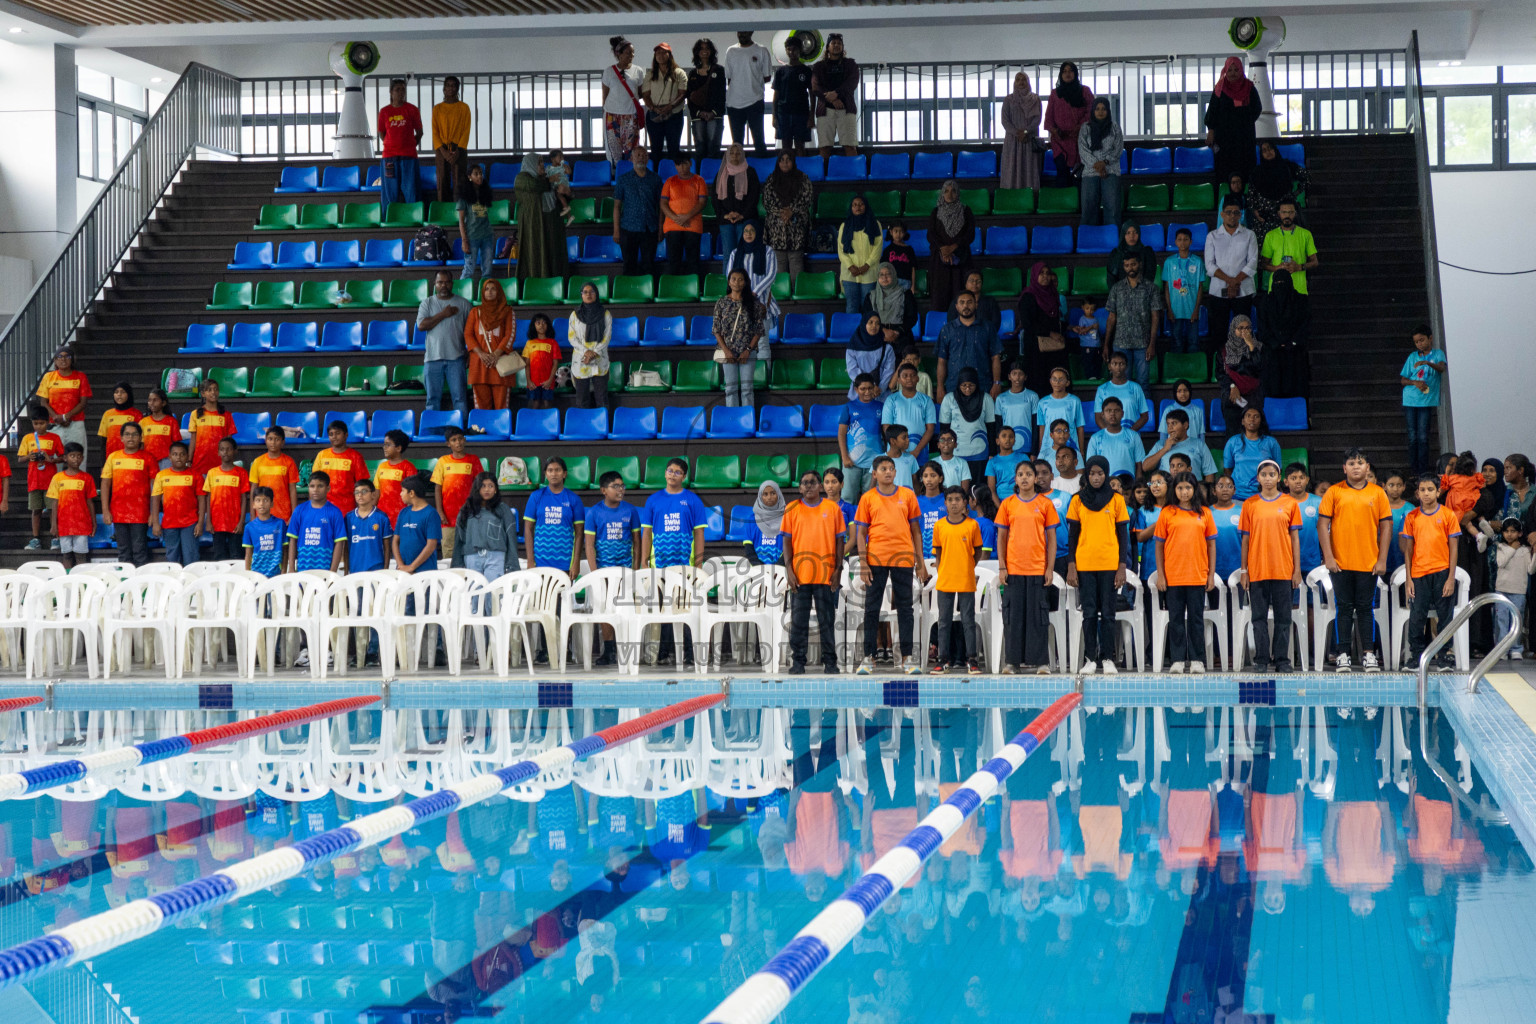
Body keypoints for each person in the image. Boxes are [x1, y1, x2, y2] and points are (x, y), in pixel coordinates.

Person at [1319, 449, 1392, 671]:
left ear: (1367, 467)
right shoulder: (1334, 492)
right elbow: (1322, 525)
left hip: (1368, 563)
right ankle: (1343, 654)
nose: (1356, 466)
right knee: (1343, 608)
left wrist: (1382, 559)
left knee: (1364, 608)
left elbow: (1386, 526)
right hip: (1340, 563)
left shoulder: (1378, 493)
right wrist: (1329, 557)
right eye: (1351, 463)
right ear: (1344, 468)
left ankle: (1369, 654)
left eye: (1360, 463)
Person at [854, 455, 928, 674]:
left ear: (896, 473)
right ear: (874, 474)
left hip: (903, 558)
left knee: (906, 608)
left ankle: (907, 658)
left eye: (891, 468)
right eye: (883, 468)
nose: (888, 472)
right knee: (872, 608)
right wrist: (863, 562)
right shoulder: (867, 498)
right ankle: (869, 658)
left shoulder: (907, 495)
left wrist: (920, 562)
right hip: (875, 558)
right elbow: (861, 533)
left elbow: (916, 530)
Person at [642, 458, 710, 665]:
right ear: (665, 473)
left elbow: (699, 534)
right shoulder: (653, 500)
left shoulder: (692, 500)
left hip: (685, 565)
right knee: (663, 608)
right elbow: (646, 533)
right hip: (660, 565)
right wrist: (645, 562)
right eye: (670, 470)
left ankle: (689, 654)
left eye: (677, 472)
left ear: (684, 476)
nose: (672, 475)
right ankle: (663, 654)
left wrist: (697, 563)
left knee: (686, 608)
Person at [1066, 456, 1131, 674]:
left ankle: (1108, 659)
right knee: (1090, 614)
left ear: (1106, 474)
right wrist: (1071, 565)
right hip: (1084, 565)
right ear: (1086, 475)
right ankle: (1090, 659)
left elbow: (1123, 536)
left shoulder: (1116, 500)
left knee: (1109, 613)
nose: (1096, 477)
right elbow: (1072, 536)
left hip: (1110, 564)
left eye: (1100, 473)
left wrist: (1122, 566)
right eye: (1092, 473)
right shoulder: (1077, 500)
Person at [995, 461, 1059, 673]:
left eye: (1028, 474)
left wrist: (1049, 568)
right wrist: (1002, 567)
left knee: (1038, 617)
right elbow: (1002, 537)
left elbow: (1051, 539)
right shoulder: (1008, 504)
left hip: (1037, 569)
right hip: (1013, 570)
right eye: (1020, 474)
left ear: (1035, 479)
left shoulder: (1045, 504)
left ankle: (1041, 662)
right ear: (1015, 479)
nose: (1024, 478)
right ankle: (1012, 662)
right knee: (1013, 617)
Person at [1239, 460, 1302, 670]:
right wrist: (1244, 571)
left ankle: (1282, 660)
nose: (1267, 478)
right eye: (1264, 475)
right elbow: (1246, 541)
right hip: (1257, 570)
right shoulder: (1249, 505)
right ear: (1258, 478)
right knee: (1259, 618)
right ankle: (1261, 659)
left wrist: (1297, 570)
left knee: (1284, 617)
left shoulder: (1290, 503)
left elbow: (1294, 539)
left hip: (1283, 570)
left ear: (1279, 477)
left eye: (1271, 474)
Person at [782, 470, 847, 674]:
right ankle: (798, 662)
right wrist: (789, 570)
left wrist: (838, 569)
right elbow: (786, 541)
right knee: (798, 621)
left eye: (812, 482)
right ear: (800, 487)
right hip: (800, 576)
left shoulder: (832, 508)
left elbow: (839, 541)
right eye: (804, 483)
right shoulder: (791, 509)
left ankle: (830, 662)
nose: (808, 486)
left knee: (826, 621)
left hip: (826, 575)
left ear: (820, 486)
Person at [1154, 472, 1218, 673]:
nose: (1184, 492)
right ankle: (1178, 660)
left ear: (1195, 489)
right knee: (1176, 620)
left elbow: (1211, 546)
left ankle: (1198, 659)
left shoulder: (1205, 513)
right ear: (1175, 490)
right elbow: (1159, 547)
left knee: (1196, 619)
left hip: (1197, 575)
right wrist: (1161, 575)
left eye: (1188, 488)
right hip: (1173, 576)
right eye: (1180, 488)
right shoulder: (1167, 513)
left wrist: (1210, 575)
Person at [1401, 473, 1462, 670]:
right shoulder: (1412, 517)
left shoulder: (1447, 515)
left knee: (1445, 615)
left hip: (1442, 572)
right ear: (1417, 493)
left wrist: (1451, 578)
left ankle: (1444, 655)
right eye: (1422, 490)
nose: (1426, 494)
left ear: (1438, 491)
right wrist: (1409, 579)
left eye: (1430, 489)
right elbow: (1408, 550)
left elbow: (1453, 548)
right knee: (1417, 616)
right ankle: (1416, 655)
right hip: (1419, 574)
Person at [1258, 200, 1317, 398]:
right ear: (1278, 213)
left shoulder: (1305, 234)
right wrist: (1279, 270)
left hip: (1299, 290)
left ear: (1295, 214)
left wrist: (1299, 267)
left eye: (1290, 212)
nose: (1287, 215)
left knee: (1298, 341)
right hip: (1276, 290)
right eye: (1284, 211)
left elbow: (1315, 261)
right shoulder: (1271, 235)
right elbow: (1264, 263)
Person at [929, 486, 984, 674]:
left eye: (958, 499)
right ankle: (943, 660)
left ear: (965, 502)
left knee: (968, 620)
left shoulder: (972, 525)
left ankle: (972, 660)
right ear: (945, 503)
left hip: (966, 579)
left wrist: (968, 566)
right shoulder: (939, 526)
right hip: (945, 580)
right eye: (950, 499)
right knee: (943, 621)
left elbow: (977, 552)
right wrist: (942, 570)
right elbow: (938, 553)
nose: (954, 503)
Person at [1204, 199, 1258, 360]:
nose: (1232, 216)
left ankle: (1243, 363)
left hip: (1244, 291)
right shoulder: (1212, 236)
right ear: (1222, 214)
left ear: (1241, 215)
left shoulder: (1249, 235)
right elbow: (1209, 265)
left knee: (1243, 331)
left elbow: (1253, 262)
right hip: (1218, 293)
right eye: (1228, 212)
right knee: (1219, 331)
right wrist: (1230, 281)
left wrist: (1235, 282)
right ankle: (1221, 366)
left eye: (1236, 213)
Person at [417, 270, 472, 421]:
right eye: (440, 282)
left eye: (447, 282)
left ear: (452, 283)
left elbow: (473, 331)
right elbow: (421, 326)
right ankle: (433, 433)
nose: (443, 285)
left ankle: (461, 432)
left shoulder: (464, 304)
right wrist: (443, 314)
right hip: (432, 359)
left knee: (460, 399)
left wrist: (470, 352)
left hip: (457, 359)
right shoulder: (427, 303)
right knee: (432, 400)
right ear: (434, 284)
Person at [99, 422, 153, 566]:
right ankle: (126, 585)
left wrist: (153, 513)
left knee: (140, 551)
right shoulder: (113, 457)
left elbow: (156, 487)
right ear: (121, 438)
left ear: (141, 437)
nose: (131, 438)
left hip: (140, 513)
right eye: (127, 434)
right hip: (118, 513)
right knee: (123, 552)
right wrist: (105, 510)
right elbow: (105, 484)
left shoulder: (148, 458)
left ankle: (141, 585)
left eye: (135, 434)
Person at [523, 458, 586, 579]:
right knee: (541, 597)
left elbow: (579, 534)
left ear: (564, 474)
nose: (554, 473)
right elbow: (528, 530)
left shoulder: (574, 499)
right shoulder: (536, 496)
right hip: (540, 561)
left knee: (562, 597)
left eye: (557, 470)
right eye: (550, 470)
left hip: (565, 561)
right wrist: (530, 560)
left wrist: (576, 562)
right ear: (546, 474)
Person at [449, 473, 519, 580]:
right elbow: (459, 539)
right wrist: (457, 564)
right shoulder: (466, 509)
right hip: (471, 556)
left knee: (493, 593)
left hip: (496, 556)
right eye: (483, 486)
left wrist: (512, 565)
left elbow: (511, 539)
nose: (487, 489)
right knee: (474, 594)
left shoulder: (503, 509)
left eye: (490, 486)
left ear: (495, 489)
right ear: (477, 488)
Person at [1105, 253, 1161, 387]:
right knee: (1122, 383)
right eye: (1126, 265)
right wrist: (1106, 344)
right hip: (1120, 343)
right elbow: (1111, 317)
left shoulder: (1151, 288)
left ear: (1140, 264)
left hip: (1143, 343)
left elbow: (1155, 317)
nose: (1130, 268)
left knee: (1143, 384)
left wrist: (1152, 344)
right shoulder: (1116, 288)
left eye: (1133, 264)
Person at [936, 291, 1003, 401]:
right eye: (962, 302)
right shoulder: (947, 330)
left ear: (976, 305)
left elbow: (995, 357)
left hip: (983, 385)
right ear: (957, 307)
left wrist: (997, 383)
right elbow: (941, 361)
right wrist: (939, 387)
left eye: (969, 302)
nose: (966, 306)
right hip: (954, 386)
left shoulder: (987, 327)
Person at [712, 269, 766, 408]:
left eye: (740, 279)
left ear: (746, 282)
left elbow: (759, 330)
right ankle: (733, 422)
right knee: (730, 389)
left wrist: (748, 350)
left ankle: (747, 420)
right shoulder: (721, 303)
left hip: (748, 352)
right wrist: (726, 351)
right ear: (729, 282)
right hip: (727, 351)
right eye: (733, 279)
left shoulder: (753, 303)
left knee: (747, 389)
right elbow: (716, 330)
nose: (737, 282)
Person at [430, 427, 485, 562]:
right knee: (448, 550)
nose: (458, 442)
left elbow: (480, 487)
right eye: (454, 440)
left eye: (460, 439)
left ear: (465, 440)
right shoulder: (443, 461)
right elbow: (438, 488)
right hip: (447, 516)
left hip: (469, 513)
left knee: (471, 549)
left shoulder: (473, 460)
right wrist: (440, 511)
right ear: (448, 444)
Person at [1204, 57, 1261, 186]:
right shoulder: (1220, 88)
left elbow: (1257, 108)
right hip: (1224, 139)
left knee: (1246, 168)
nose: (1233, 73)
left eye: (1236, 70)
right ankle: (1227, 202)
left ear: (1241, 70)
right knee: (1224, 169)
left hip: (1244, 138)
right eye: (1229, 70)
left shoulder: (1249, 87)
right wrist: (1211, 130)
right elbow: (1212, 111)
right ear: (1225, 71)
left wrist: (1243, 121)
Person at [463, 278, 516, 410]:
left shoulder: (508, 311)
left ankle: (501, 431)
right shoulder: (475, 312)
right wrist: (481, 354)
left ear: (499, 292)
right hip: (479, 364)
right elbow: (468, 335)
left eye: (493, 289)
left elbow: (510, 334)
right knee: (481, 408)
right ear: (483, 292)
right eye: (487, 289)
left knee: (502, 407)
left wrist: (496, 354)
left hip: (501, 364)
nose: (490, 292)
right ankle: (482, 431)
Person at [512, 153, 567, 280]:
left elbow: (559, 197)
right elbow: (534, 186)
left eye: (542, 162)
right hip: (533, 225)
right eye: (539, 162)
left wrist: (564, 191)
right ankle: (532, 286)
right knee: (534, 253)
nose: (542, 165)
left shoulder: (546, 178)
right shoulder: (522, 178)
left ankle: (555, 285)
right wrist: (549, 180)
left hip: (551, 225)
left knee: (551, 254)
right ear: (531, 164)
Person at [938, 368, 996, 487]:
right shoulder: (949, 399)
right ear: (959, 384)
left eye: (971, 385)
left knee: (978, 489)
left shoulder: (986, 399)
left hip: (980, 453)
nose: (968, 388)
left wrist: (992, 453)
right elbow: (944, 429)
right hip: (956, 453)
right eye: (964, 385)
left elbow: (991, 429)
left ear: (977, 384)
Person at [762, 153, 814, 286]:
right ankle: (782, 299)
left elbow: (807, 199)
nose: (785, 163)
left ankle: (796, 302)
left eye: (788, 160)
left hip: (796, 229)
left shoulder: (803, 178)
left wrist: (791, 211)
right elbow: (767, 202)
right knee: (779, 266)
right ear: (778, 162)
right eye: (782, 160)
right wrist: (783, 213)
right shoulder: (771, 179)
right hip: (776, 230)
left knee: (796, 263)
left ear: (793, 162)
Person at [1400, 324, 1445, 476]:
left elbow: (1441, 368)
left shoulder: (1438, 354)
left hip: (1426, 401)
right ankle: (1414, 471)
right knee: (1413, 436)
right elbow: (1403, 380)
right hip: (1410, 400)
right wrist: (1415, 383)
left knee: (1423, 436)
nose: (1419, 344)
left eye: (1422, 340)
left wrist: (1427, 362)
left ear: (1430, 338)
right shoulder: (1412, 357)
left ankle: (1423, 471)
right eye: (1416, 342)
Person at [35, 348, 91, 468]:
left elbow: (83, 402)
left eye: (67, 356)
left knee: (78, 460)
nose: (63, 359)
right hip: (54, 425)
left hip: (75, 424)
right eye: (59, 357)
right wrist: (56, 417)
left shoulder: (80, 377)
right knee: (53, 462)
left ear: (72, 360)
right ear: (55, 361)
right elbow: (43, 402)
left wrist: (66, 416)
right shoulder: (48, 377)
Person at [611, 145, 662, 277]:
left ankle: (648, 293)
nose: (641, 158)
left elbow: (661, 206)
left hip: (650, 228)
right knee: (629, 264)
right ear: (631, 158)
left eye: (644, 155)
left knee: (649, 265)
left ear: (648, 158)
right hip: (628, 228)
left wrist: (660, 229)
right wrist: (616, 230)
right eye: (638, 155)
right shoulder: (623, 180)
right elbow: (617, 206)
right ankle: (628, 295)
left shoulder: (655, 179)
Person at [1488, 517, 1534, 660]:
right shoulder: (1501, 548)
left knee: (1517, 620)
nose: (1509, 534)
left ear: (1520, 533)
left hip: (1519, 591)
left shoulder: (1525, 551)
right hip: (1502, 589)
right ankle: (1501, 649)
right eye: (1506, 531)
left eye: (1513, 531)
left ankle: (1516, 648)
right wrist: (1512, 549)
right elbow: (1501, 563)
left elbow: (1531, 570)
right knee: (1501, 620)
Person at [150, 441, 202, 567]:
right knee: (172, 558)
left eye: (182, 454)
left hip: (190, 523)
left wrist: (200, 523)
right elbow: (156, 500)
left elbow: (202, 500)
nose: (178, 457)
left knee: (191, 558)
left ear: (187, 457)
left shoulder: (195, 475)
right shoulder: (161, 475)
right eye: (175, 454)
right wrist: (156, 523)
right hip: (169, 524)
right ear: (169, 457)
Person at [725, 222, 780, 338]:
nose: (748, 234)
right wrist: (743, 294)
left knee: (761, 343)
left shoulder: (768, 251)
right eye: (745, 231)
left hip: (761, 300)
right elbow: (729, 276)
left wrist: (754, 292)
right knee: (742, 341)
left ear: (758, 233)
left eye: (752, 231)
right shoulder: (735, 253)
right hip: (740, 301)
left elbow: (771, 275)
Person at [1042, 61, 1093, 188]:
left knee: (1080, 176)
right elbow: (1048, 119)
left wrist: (1080, 126)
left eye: (1070, 71)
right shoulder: (1055, 94)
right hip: (1060, 141)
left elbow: (1092, 112)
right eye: (1064, 71)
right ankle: (1065, 205)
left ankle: (1080, 206)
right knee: (1062, 174)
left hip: (1080, 140)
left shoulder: (1084, 91)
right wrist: (1055, 131)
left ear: (1075, 73)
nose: (1067, 74)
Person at [928, 180, 975, 314]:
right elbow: (931, 234)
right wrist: (943, 249)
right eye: (946, 191)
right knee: (940, 298)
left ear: (958, 193)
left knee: (960, 295)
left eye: (953, 191)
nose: (950, 194)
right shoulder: (936, 211)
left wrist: (954, 247)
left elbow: (970, 234)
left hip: (961, 260)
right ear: (942, 193)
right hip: (940, 262)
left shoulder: (966, 211)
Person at [18, 407, 62, 552]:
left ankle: (55, 538)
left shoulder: (54, 438)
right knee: (36, 509)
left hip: (50, 481)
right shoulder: (27, 438)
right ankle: (35, 538)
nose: (38, 426)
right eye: (35, 423)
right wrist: (29, 457)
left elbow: (63, 456)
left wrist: (51, 459)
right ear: (32, 423)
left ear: (48, 422)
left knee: (51, 509)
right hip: (34, 480)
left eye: (42, 423)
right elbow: (20, 459)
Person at [46, 443, 95, 570]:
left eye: (79, 456)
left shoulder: (87, 478)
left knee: (81, 555)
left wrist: (93, 523)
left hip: (82, 524)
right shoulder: (58, 478)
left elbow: (90, 502)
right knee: (66, 554)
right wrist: (53, 524)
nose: (76, 459)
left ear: (82, 458)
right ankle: (67, 582)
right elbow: (54, 503)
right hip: (64, 524)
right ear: (65, 458)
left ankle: (81, 583)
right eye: (72, 456)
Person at [811, 33, 860, 158]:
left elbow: (852, 83)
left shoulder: (851, 64)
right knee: (824, 147)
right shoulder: (818, 66)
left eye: (839, 43)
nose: (836, 45)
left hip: (847, 109)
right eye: (833, 43)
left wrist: (836, 93)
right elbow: (816, 87)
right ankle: (824, 176)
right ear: (828, 47)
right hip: (825, 110)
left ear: (843, 47)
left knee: (850, 145)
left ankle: (853, 175)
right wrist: (833, 100)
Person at [286, 472, 345, 573]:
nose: (315, 490)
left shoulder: (335, 512)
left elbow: (339, 543)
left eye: (320, 486)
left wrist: (332, 571)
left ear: (328, 488)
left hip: (325, 570)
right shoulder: (299, 510)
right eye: (312, 486)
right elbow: (292, 540)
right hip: (302, 570)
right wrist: (291, 568)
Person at [1248, 140, 1310, 239]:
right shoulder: (1257, 172)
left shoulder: (1287, 166)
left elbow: (1306, 177)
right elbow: (1251, 194)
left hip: (1286, 215)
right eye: (1264, 150)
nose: (1268, 152)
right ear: (1261, 154)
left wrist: (1296, 193)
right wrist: (1255, 211)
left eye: (1270, 148)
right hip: (1265, 218)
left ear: (1275, 150)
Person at [1018, 263, 1068, 385]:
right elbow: (1027, 324)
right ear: (1035, 275)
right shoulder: (1028, 296)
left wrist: (1070, 327)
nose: (1045, 276)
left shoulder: (1052, 294)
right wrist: (1050, 333)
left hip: (1053, 348)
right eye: (1041, 273)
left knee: (1055, 383)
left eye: (1048, 273)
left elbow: (1053, 320)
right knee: (1038, 382)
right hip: (1035, 349)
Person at [376, 79, 422, 210]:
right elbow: (381, 133)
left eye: (403, 89)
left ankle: (414, 217)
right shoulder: (384, 111)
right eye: (397, 90)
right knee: (390, 192)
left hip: (409, 156)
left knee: (411, 189)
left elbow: (419, 132)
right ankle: (389, 220)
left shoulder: (412, 109)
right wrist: (391, 144)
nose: (401, 93)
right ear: (391, 92)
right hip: (389, 157)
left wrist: (411, 144)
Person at [838, 372, 886, 497]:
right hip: (852, 462)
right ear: (856, 389)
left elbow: (886, 432)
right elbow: (841, 433)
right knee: (848, 497)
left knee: (871, 499)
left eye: (870, 388)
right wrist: (845, 457)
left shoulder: (881, 407)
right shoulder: (849, 407)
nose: (867, 392)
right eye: (862, 389)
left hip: (874, 462)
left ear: (874, 387)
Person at [640, 43, 689, 165]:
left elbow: (682, 93)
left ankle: (674, 177)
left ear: (669, 55)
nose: (660, 55)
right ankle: (657, 176)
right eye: (658, 53)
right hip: (654, 115)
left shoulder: (679, 72)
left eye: (664, 52)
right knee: (656, 148)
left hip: (674, 114)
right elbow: (645, 95)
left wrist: (670, 106)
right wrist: (653, 108)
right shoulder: (650, 74)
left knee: (674, 147)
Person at [724, 30, 772, 154]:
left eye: (744, 32)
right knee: (737, 144)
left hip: (755, 101)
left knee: (759, 141)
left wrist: (752, 81)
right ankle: (738, 172)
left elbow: (767, 77)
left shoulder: (762, 50)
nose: (741, 35)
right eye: (739, 33)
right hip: (734, 103)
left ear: (751, 32)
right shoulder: (731, 51)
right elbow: (729, 77)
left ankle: (761, 171)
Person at [1078, 97, 1123, 227]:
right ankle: (1090, 240)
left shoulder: (1114, 127)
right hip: (1090, 172)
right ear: (1093, 110)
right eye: (1097, 109)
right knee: (1089, 208)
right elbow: (1083, 150)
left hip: (1111, 170)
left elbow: (1118, 148)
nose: (1100, 112)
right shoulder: (1085, 128)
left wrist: (1104, 162)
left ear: (1108, 111)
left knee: (1112, 207)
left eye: (1103, 109)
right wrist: (1097, 165)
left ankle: (1112, 239)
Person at [203, 436, 249, 561]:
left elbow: (244, 499)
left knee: (236, 555)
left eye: (228, 449)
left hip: (235, 523)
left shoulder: (241, 473)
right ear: (218, 452)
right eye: (222, 449)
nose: (225, 452)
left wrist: (241, 522)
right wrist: (208, 521)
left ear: (235, 451)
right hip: (217, 523)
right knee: (219, 556)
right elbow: (208, 497)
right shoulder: (212, 473)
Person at [601, 37, 645, 167]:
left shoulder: (638, 71)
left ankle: (633, 172)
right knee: (614, 148)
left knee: (632, 147)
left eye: (632, 52)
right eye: (627, 53)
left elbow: (640, 93)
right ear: (618, 54)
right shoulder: (609, 71)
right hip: (612, 114)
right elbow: (605, 94)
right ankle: (616, 173)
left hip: (631, 114)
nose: (631, 55)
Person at [568, 283, 612, 411]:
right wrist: (586, 351)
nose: (588, 294)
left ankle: (603, 428)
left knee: (602, 400)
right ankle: (583, 429)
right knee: (582, 401)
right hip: (581, 359)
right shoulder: (575, 315)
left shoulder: (605, 314)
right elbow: (572, 338)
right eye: (585, 292)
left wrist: (594, 353)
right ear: (581, 295)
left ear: (596, 294)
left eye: (592, 292)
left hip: (599, 359)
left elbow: (607, 337)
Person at [661, 155, 708, 275]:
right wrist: (676, 218)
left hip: (693, 226)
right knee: (673, 262)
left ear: (690, 164)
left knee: (693, 262)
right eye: (678, 164)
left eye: (685, 163)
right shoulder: (670, 181)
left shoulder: (699, 180)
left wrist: (686, 216)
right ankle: (673, 291)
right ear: (675, 166)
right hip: (672, 227)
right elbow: (663, 203)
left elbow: (702, 203)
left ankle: (694, 290)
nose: (681, 167)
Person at [881, 361, 937, 462]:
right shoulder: (891, 400)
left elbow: (930, 429)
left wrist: (916, 451)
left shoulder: (926, 400)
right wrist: (898, 448)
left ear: (917, 378)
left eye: (912, 375)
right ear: (898, 380)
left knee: (919, 477)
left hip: (920, 451)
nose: (909, 379)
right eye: (905, 376)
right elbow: (886, 427)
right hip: (896, 453)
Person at [1163, 228, 1207, 355]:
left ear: (1191, 242)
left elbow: (1200, 288)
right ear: (1175, 242)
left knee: (1193, 341)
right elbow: (1167, 288)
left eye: (1186, 240)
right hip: (1175, 310)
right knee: (1176, 341)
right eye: (1180, 240)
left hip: (1191, 310)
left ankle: (1193, 369)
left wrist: (1196, 310)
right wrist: (1169, 310)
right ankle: (1176, 369)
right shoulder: (1169, 262)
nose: (1182, 243)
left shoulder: (1198, 262)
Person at [1218, 314, 1265, 433]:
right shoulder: (1224, 350)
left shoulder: (1259, 348)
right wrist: (1232, 386)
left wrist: (1251, 346)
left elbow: (1259, 368)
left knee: (1255, 432)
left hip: (1254, 395)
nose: (1244, 332)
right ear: (1234, 330)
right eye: (1240, 328)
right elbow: (1220, 374)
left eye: (1248, 328)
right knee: (1233, 431)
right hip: (1233, 395)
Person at [836, 196, 883, 315]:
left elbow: (878, 248)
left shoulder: (875, 224)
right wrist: (851, 266)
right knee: (852, 306)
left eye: (861, 204)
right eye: (855, 205)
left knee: (868, 306)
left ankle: (868, 333)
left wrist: (867, 265)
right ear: (851, 208)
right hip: (849, 274)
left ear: (866, 206)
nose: (858, 207)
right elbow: (841, 250)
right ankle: (852, 333)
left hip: (869, 272)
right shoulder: (844, 226)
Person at [714, 143, 761, 259]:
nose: (735, 156)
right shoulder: (721, 173)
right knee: (729, 255)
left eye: (738, 153)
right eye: (732, 153)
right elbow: (716, 199)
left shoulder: (750, 172)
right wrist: (726, 215)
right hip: (726, 220)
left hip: (746, 218)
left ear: (743, 155)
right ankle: (729, 277)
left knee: (745, 254)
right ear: (727, 155)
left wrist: (742, 215)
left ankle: (744, 278)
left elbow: (753, 197)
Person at [1224, 406, 1283, 500]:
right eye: (1248, 416)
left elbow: (1278, 469)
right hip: (1238, 495)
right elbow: (1228, 469)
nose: (1252, 419)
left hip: (1263, 495)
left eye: (1256, 416)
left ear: (1261, 421)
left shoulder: (1271, 442)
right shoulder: (1233, 442)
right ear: (1243, 421)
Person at [311, 419, 367, 515]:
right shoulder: (322, 455)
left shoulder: (355, 457)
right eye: (331, 434)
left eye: (338, 433)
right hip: (324, 507)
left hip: (348, 509)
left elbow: (362, 485)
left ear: (346, 435)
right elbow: (314, 483)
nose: (334, 437)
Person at [453, 164, 497, 286]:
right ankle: (461, 294)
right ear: (469, 177)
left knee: (487, 270)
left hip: (487, 235)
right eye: (476, 174)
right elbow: (461, 222)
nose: (480, 176)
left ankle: (485, 296)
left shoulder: (485, 193)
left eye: (481, 173)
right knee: (469, 269)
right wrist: (464, 240)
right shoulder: (464, 198)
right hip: (472, 236)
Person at [1144, 408, 1217, 480]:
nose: (1170, 428)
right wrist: (1164, 449)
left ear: (1185, 425)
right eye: (1168, 424)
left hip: (1192, 488)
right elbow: (1145, 467)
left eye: (1174, 423)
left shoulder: (1199, 444)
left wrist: (1205, 490)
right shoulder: (1160, 444)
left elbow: (1210, 473)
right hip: (1167, 489)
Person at [1000, 71, 1042, 191]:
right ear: (1014, 82)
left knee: (1029, 169)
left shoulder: (1035, 99)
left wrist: (1025, 132)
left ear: (1028, 82)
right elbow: (1005, 120)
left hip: (1028, 140)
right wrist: (1017, 133)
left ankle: (1029, 199)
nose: (1021, 82)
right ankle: (1012, 200)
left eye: (1023, 79)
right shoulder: (1009, 99)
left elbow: (1037, 120)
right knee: (1012, 170)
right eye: (1018, 79)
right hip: (1013, 141)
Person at [249, 426, 300, 526]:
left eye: (277, 439)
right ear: (265, 440)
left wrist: (293, 514)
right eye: (270, 439)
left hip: (284, 515)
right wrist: (252, 515)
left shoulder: (289, 462)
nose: (273, 442)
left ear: (283, 442)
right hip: (262, 514)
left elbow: (293, 490)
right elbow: (253, 490)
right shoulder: (258, 462)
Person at [861, 263, 919, 351]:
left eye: (888, 274)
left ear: (894, 275)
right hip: (877, 334)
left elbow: (912, 317)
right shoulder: (871, 296)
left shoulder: (906, 294)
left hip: (901, 335)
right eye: (881, 274)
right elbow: (866, 318)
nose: (884, 277)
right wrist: (882, 331)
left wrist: (897, 332)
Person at [771, 40, 815, 156]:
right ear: (786, 51)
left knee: (800, 144)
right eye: (789, 49)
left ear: (800, 51)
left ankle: (800, 172)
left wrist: (811, 116)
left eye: (794, 49)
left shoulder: (806, 71)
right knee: (786, 145)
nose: (791, 52)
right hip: (784, 113)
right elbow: (776, 96)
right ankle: (788, 172)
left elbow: (812, 94)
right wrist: (774, 116)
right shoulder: (781, 71)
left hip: (801, 113)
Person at [432, 76, 471, 204]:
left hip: (459, 149)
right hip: (442, 149)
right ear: (444, 89)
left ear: (458, 88)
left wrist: (458, 150)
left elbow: (466, 130)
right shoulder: (437, 109)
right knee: (442, 181)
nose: (450, 88)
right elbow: (435, 131)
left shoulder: (464, 108)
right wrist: (443, 151)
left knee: (459, 181)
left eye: (453, 85)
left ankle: (459, 212)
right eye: (448, 85)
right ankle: (443, 213)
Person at [687, 39, 727, 161]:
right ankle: (700, 177)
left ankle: (714, 178)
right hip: (698, 116)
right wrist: (699, 113)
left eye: (707, 48)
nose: (704, 51)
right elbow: (690, 96)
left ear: (711, 51)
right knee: (699, 148)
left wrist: (713, 112)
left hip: (715, 115)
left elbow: (722, 94)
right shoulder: (693, 73)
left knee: (713, 147)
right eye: (701, 49)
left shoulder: (719, 70)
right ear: (697, 52)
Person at [187, 378, 235, 479]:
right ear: (203, 394)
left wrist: (229, 460)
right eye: (209, 390)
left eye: (215, 389)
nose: (213, 392)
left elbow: (229, 441)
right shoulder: (195, 414)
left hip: (220, 462)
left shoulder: (226, 415)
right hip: (200, 462)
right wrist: (189, 459)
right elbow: (193, 439)